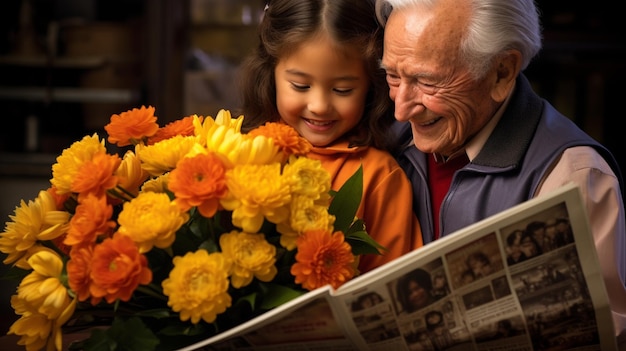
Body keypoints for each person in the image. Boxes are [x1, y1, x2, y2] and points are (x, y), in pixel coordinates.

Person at [374, 0, 626, 345]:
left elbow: (595, 339)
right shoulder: (385, 141)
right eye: (392, 76)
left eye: (427, 81)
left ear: (502, 72)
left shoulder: (573, 176)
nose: (401, 110)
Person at [237, 0, 423, 274]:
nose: (320, 105)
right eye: (300, 86)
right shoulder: (239, 152)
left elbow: (395, 282)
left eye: (343, 90)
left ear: (372, 86)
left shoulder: (379, 176)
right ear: (270, 74)